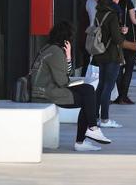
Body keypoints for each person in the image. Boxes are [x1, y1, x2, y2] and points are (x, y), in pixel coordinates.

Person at [31, 21, 111, 151]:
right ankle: (87, 134)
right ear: (66, 38)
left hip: (45, 89)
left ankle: (90, 131)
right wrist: (67, 64)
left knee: (88, 90)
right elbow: (63, 81)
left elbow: (66, 74)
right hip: (46, 93)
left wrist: (68, 57)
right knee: (88, 97)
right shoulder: (55, 52)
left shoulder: (49, 48)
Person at [93, 0, 126, 128]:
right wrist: (122, 32)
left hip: (100, 53)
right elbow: (117, 39)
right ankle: (105, 119)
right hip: (112, 54)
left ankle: (94, 116)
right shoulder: (113, 14)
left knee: (101, 85)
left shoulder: (99, 12)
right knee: (108, 86)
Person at [110, 0, 136, 105]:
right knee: (129, 68)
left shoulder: (111, 3)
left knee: (118, 67)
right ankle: (124, 96)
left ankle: (118, 95)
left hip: (116, 38)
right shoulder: (128, 2)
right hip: (129, 39)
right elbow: (134, 21)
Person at [81, 0, 102, 77]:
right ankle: (85, 78)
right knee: (88, 58)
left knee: (87, 58)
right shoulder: (91, 3)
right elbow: (92, 21)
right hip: (90, 35)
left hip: (88, 34)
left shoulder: (90, 2)